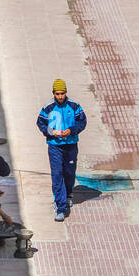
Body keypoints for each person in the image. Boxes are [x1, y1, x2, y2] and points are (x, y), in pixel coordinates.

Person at [36, 78, 87, 222]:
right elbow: (40, 123)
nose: (60, 96)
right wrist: (51, 132)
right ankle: (60, 206)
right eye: (57, 94)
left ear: (66, 93)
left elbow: (82, 122)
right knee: (57, 174)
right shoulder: (48, 108)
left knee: (69, 172)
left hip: (71, 145)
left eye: (62, 93)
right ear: (53, 93)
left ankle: (68, 194)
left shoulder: (74, 106)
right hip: (55, 146)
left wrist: (71, 131)